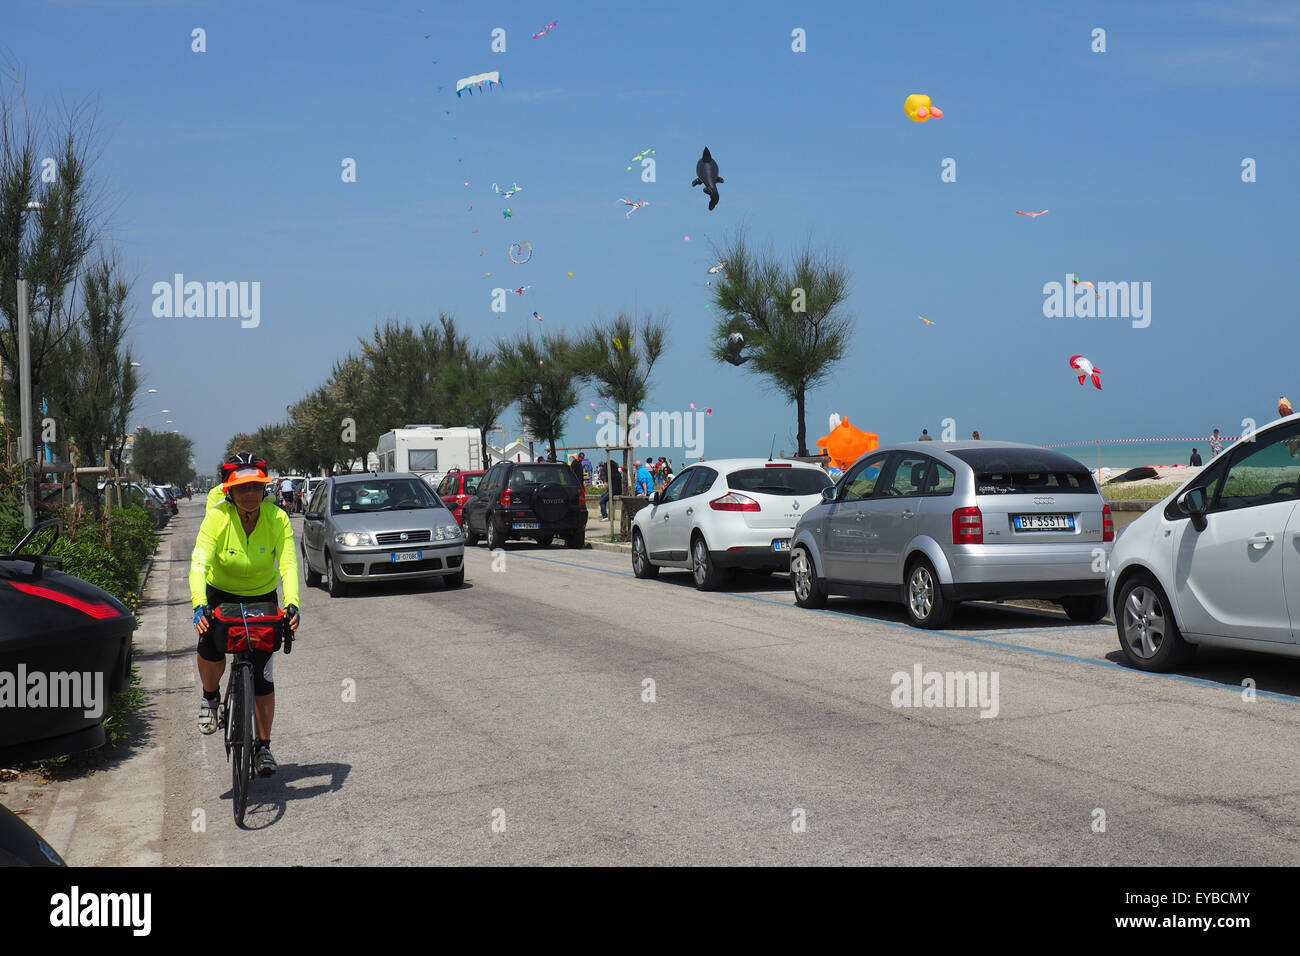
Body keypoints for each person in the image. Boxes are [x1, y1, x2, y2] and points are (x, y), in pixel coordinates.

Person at [190, 453, 300, 777]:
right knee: (209, 643)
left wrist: (292, 604)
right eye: (242, 489)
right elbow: (199, 562)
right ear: (230, 491)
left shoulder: (277, 518)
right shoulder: (217, 518)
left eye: (256, 487)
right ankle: (210, 697)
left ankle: (263, 747)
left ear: (263, 489)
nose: (250, 494)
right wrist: (199, 604)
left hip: (262, 595)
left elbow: (289, 565)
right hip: (220, 592)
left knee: (264, 673)